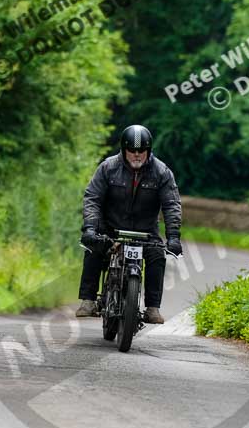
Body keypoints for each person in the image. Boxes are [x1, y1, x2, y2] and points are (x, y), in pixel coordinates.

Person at [75, 124, 182, 324]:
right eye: (132, 150)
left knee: (157, 255)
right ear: (124, 150)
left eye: (141, 150)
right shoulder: (108, 167)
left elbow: (172, 204)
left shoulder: (162, 172)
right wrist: (90, 227)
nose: (136, 154)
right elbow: (92, 198)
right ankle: (88, 300)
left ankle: (152, 308)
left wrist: (174, 236)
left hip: (146, 230)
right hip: (110, 227)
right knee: (92, 247)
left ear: (148, 151)